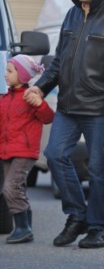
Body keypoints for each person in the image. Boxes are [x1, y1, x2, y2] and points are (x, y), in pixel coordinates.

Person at [24, 0, 104, 249]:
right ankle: (77, 216)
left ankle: (98, 228)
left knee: (98, 171)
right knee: (55, 154)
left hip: (100, 107)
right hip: (68, 105)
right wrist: (40, 86)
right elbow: (59, 61)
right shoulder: (72, 15)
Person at [0, 55, 53, 244]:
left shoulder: (30, 96)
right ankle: (26, 225)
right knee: (17, 188)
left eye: (10, 71)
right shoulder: (4, 98)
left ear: (22, 75)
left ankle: (22, 229)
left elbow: (48, 117)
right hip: (6, 151)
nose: (5, 74)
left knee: (11, 188)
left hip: (24, 151)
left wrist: (39, 104)